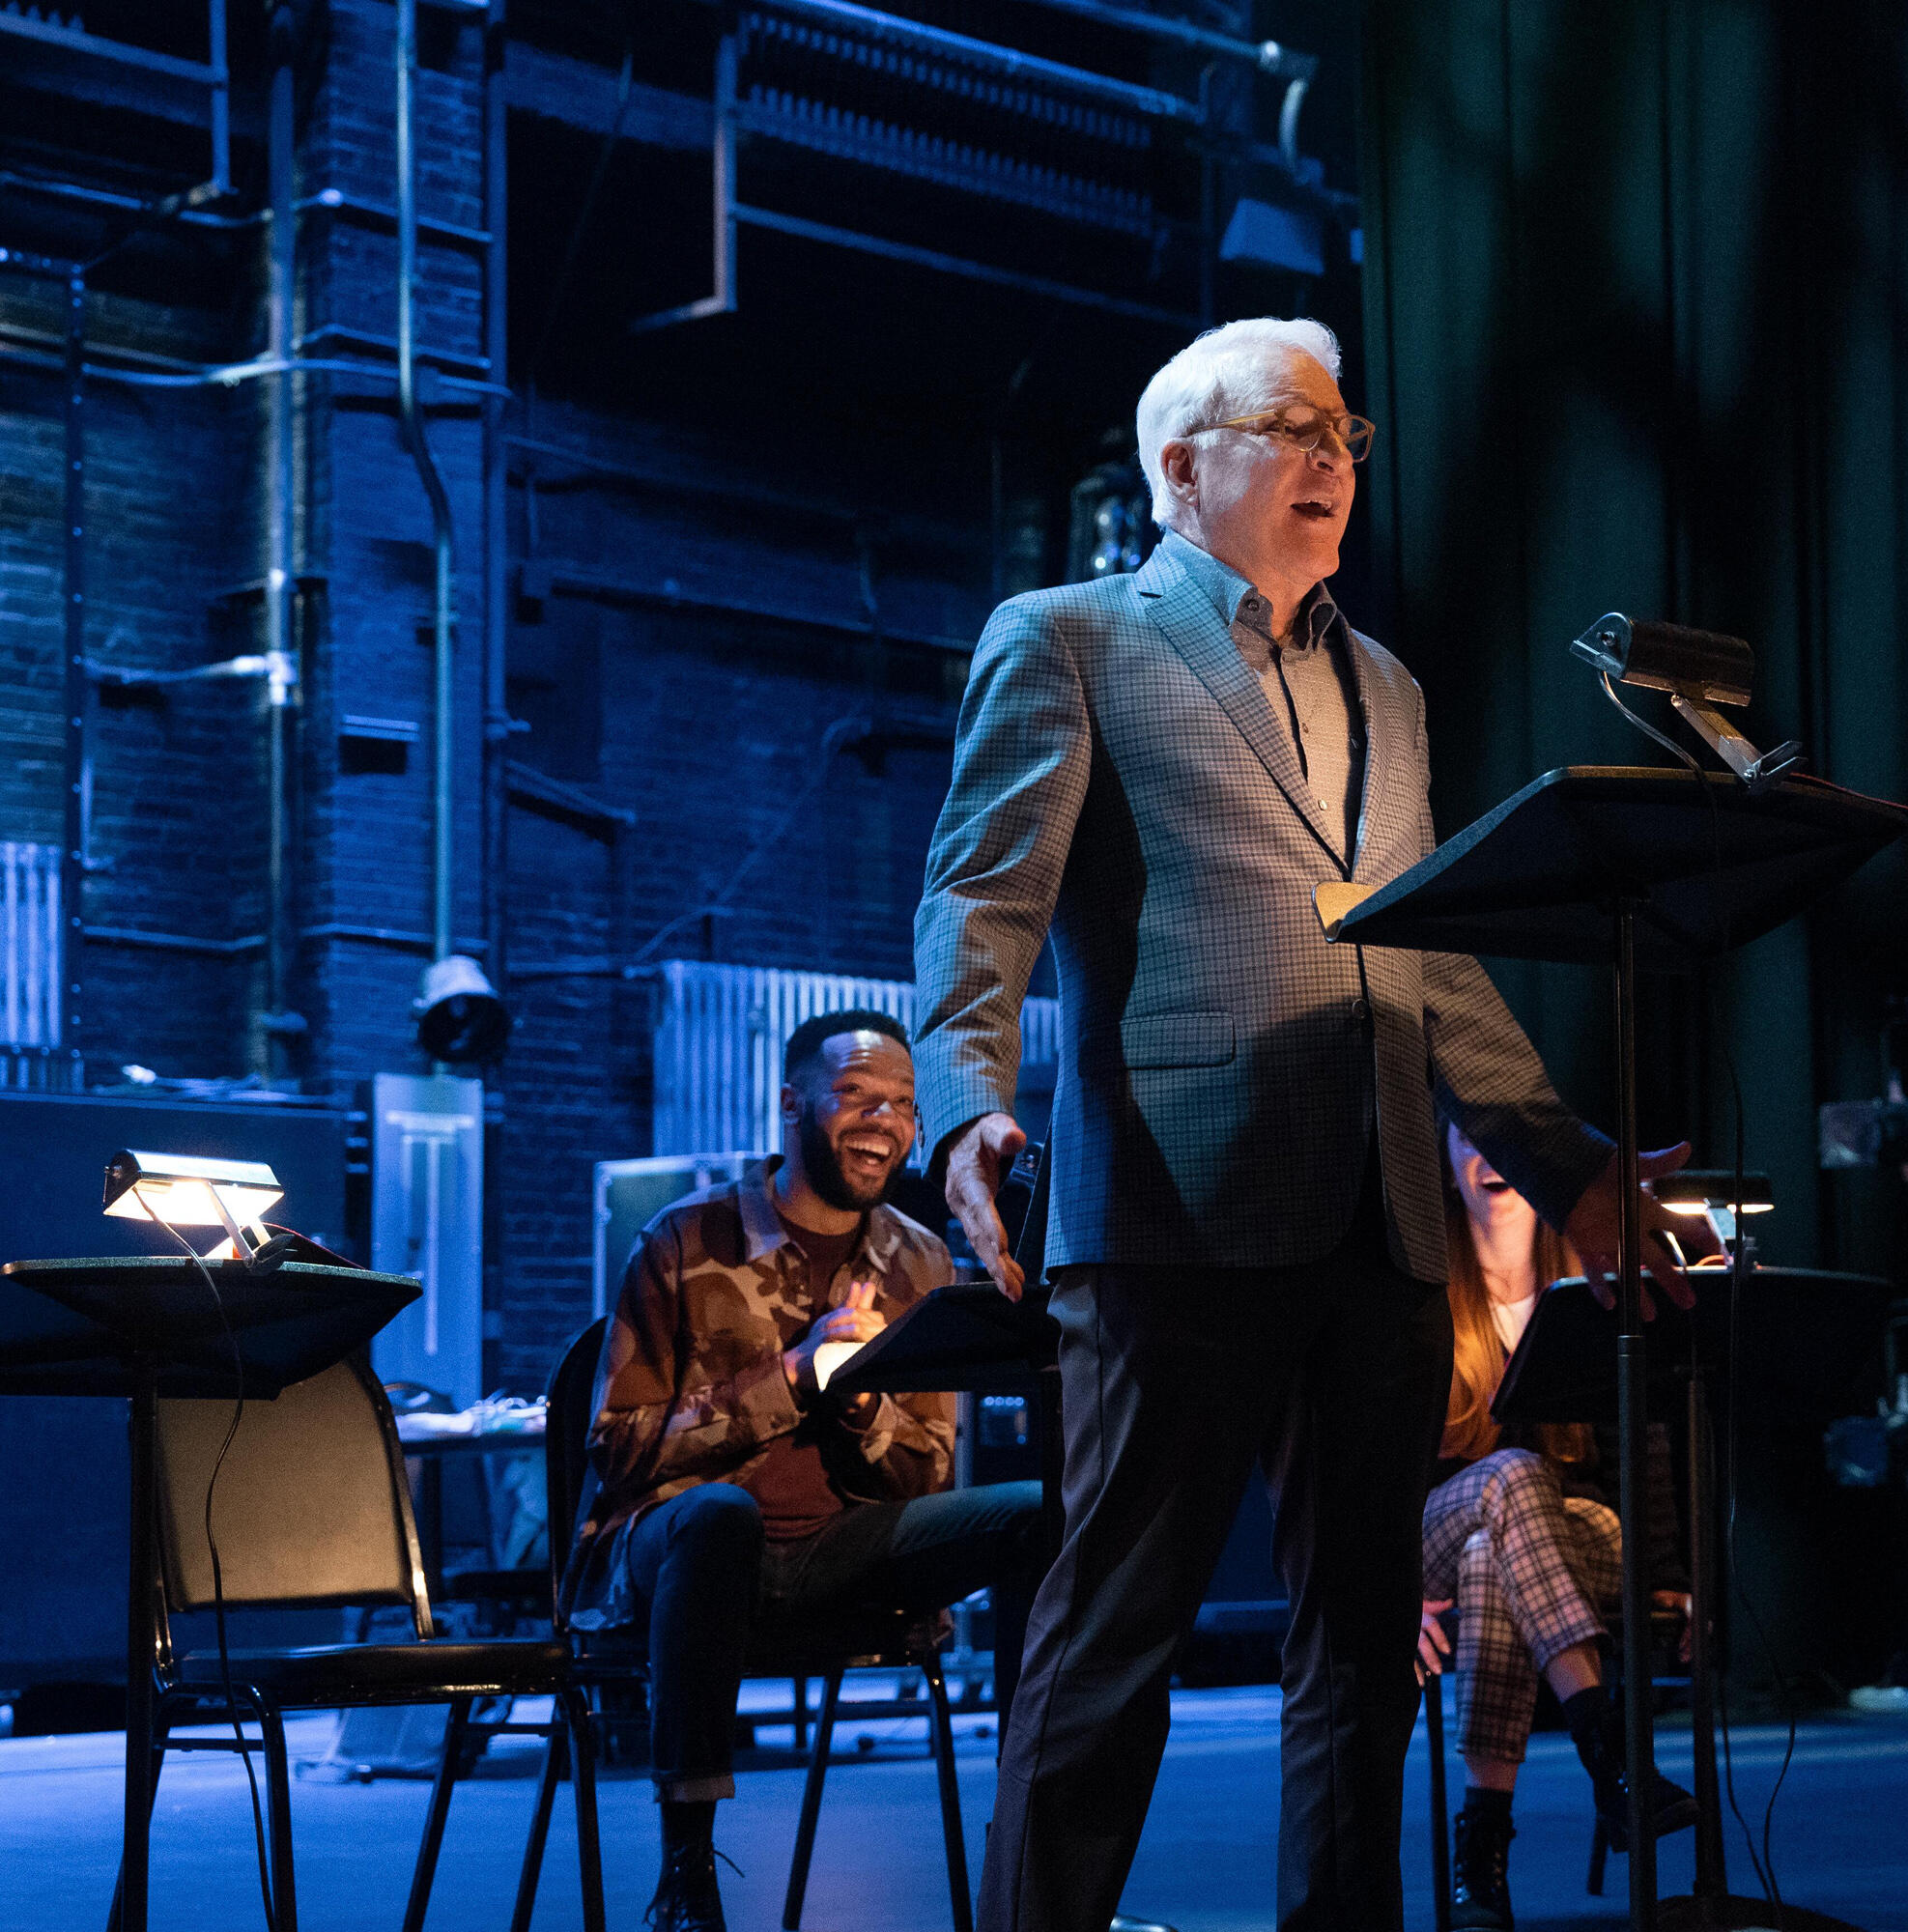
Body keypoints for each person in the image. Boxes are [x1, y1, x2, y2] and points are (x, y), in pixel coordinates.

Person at [913, 316, 1686, 1932]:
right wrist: (968, 1107)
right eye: (1297, 428)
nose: (1336, 457)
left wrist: (1569, 1166)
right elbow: (982, 898)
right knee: (1113, 1637)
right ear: (1183, 469)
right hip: (1175, 1213)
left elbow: (1428, 957)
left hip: (1385, 1216)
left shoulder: (1387, 689)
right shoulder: (1070, 638)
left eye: (1347, 434)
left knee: (1363, 1655)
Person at [566, 1011, 1044, 1932]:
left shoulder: (919, 1258)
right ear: (790, 1105)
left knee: (1039, 1512)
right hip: (675, 1550)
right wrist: (792, 1377)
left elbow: (928, 1472)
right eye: (856, 1096)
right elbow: (618, 1446)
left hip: (841, 1552)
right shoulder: (687, 1238)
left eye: (903, 1104)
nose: (884, 1121)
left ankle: (1033, 1832)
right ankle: (687, 1871)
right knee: (717, 1521)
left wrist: (859, 1401)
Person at [1417, 1122, 1701, 1930]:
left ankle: (1482, 1856)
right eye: (1466, 1137)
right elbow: (1371, 1451)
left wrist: (1673, 1576)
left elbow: (1641, 1445)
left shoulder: (1591, 1277)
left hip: (1574, 1533)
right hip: (1434, 1525)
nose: (1489, 1154)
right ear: (1440, 1157)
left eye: (1503, 1137)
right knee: (1508, 1480)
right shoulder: (1419, 1285)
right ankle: (1614, 1764)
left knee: (1493, 1557)